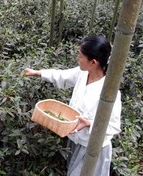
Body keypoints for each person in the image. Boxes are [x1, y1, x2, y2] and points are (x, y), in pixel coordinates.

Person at [24, 35, 121, 176]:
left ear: (93, 62)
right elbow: (62, 76)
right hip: (75, 140)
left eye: (80, 56)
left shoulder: (110, 92)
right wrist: (37, 73)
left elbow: (114, 126)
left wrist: (89, 123)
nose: (78, 58)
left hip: (92, 148)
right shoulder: (82, 73)